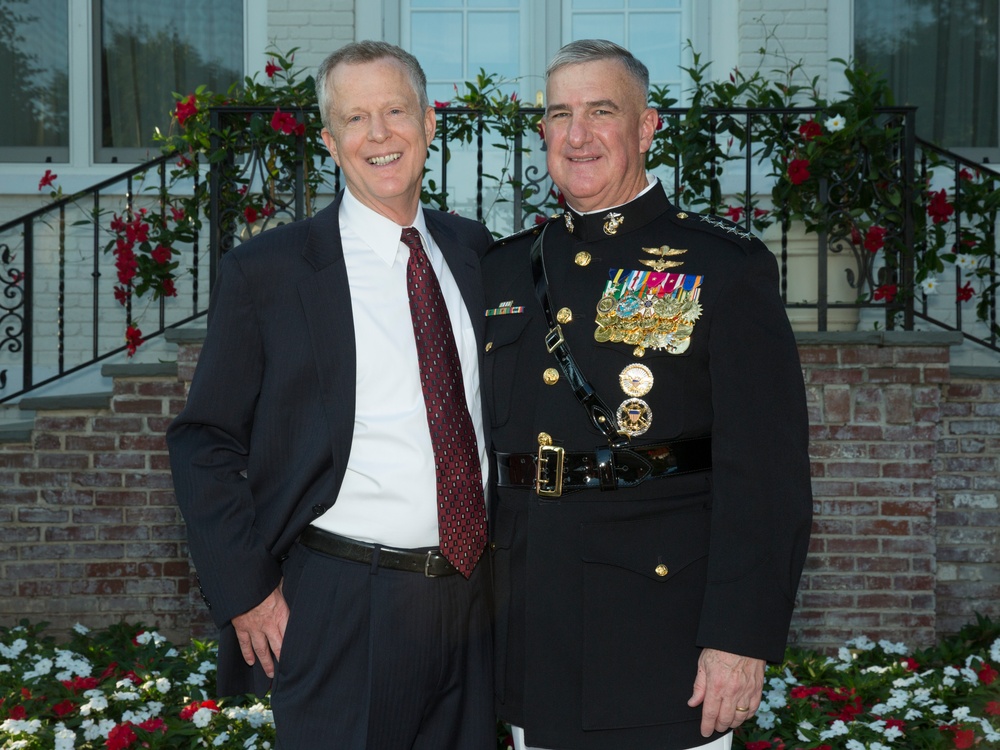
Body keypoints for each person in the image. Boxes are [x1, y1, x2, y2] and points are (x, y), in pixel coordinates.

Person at [483, 39, 813, 750]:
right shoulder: (507, 271)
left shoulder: (721, 266)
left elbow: (768, 473)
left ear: (646, 126)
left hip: (659, 640)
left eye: (602, 111)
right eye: (560, 115)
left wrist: (738, 639)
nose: (577, 135)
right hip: (531, 632)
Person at [167, 41, 495, 749]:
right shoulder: (270, 273)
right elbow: (205, 440)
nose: (378, 135)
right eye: (355, 118)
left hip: (472, 602)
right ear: (329, 140)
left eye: (394, 111)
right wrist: (246, 590)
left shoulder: (475, 253)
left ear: (429, 122)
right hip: (344, 602)